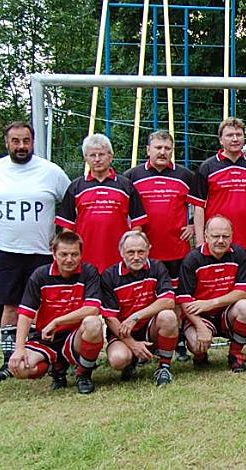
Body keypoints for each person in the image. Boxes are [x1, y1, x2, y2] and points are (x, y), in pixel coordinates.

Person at [0, 121, 71, 382]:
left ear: (33, 142)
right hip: (7, 251)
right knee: (10, 305)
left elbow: (72, 197)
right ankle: (10, 360)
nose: (21, 146)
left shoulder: (50, 171)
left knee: (48, 306)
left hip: (43, 252)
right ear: (7, 143)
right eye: (15, 141)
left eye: (26, 141)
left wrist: (66, 234)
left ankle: (55, 357)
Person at [124, 130, 193, 360]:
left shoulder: (185, 175)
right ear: (148, 150)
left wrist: (194, 226)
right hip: (144, 253)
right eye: (158, 148)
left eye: (167, 148)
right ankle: (142, 342)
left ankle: (178, 340)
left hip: (176, 250)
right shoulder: (132, 176)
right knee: (143, 298)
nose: (163, 152)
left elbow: (204, 204)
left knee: (175, 297)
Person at [7, 232, 103, 394]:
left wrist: (57, 321)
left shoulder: (89, 272)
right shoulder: (40, 275)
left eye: (74, 254)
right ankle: (56, 368)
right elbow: (25, 313)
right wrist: (19, 348)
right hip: (46, 337)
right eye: (63, 254)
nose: (69, 259)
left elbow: (93, 308)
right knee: (20, 368)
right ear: (53, 254)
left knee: (93, 323)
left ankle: (84, 374)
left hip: (75, 336)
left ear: (81, 254)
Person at [56, 133, 148, 273]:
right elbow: (67, 228)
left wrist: (130, 251)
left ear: (111, 156)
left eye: (102, 154)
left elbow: (137, 224)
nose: (97, 159)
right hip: (85, 258)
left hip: (118, 258)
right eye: (92, 155)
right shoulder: (76, 187)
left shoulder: (125, 186)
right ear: (85, 158)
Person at [177, 216, 246, 372]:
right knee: (196, 344)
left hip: (227, 312)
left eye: (225, 236)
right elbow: (183, 299)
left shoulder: (239, 254)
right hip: (201, 316)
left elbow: (244, 291)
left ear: (232, 236)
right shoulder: (192, 259)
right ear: (206, 235)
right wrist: (200, 326)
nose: (221, 241)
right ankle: (200, 356)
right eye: (215, 236)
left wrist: (211, 302)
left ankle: (235, 354)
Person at [101, 231, 179, 386]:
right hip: (123, 331)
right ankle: (130, 363)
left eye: (141, 252)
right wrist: (133, 344)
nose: (136, 257)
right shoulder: (109, 275)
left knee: (168, 316)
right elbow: (110, 318)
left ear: (148, 250)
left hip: (150, 327)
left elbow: (169, 301)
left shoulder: (157, 267)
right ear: (121, 252)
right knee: (118, 359)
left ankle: (164, 367)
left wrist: (136, 316)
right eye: (131, 252)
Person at [189, 117, 246, 252]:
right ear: (221, 140)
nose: (235, 139)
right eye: (229, 135)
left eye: (239, 135)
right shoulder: (207, 168)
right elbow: (198, 207)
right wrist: (200, 241)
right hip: (218, 243)